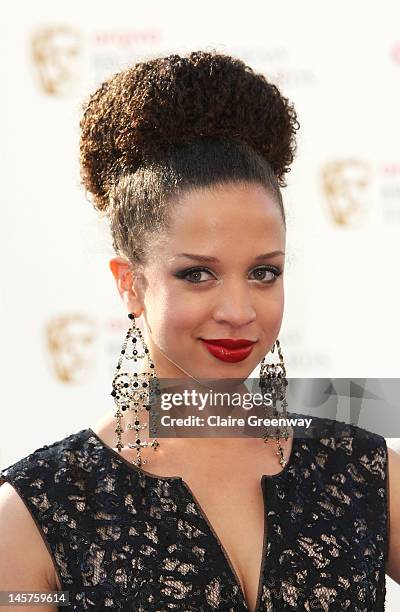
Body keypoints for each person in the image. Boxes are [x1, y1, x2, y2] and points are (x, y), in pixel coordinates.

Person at [0, 50, 399, 612]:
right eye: (197, 274)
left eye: (264, 272)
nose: (238, 310)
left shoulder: (365, 471)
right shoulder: (36, 513)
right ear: (129, 284)